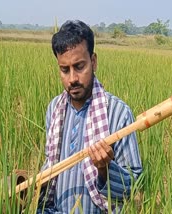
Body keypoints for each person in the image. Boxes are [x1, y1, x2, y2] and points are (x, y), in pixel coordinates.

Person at [36, 20, 142, 213]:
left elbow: (135, 184)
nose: (72, 78)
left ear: (93, 62)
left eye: (79, 66)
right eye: (64, 69)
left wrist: (105, 169)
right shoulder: (54, 109)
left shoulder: (118, 113)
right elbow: (50, 165)